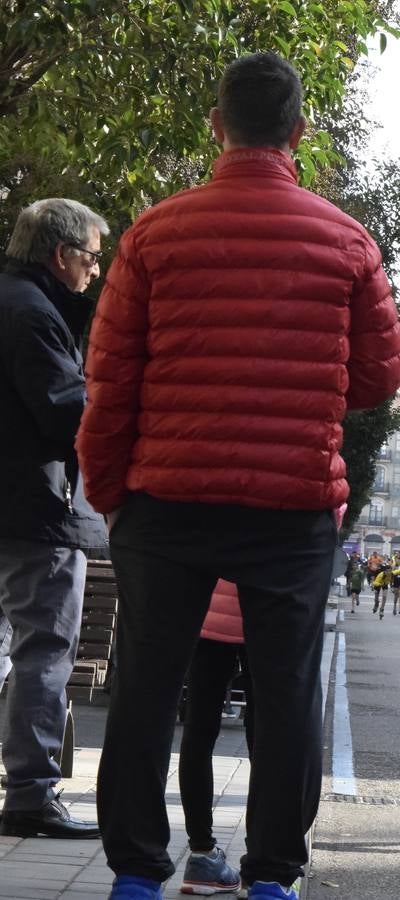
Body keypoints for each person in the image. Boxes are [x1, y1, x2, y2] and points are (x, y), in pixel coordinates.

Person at [75, 53, 400, 900]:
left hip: (166, 495)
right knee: (286, 691)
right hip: (291, 505)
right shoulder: (347, 242)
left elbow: (111, 381)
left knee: (147, 687)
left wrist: (111, 491)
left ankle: (138, 874)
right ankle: (271, 876)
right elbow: (377, 379)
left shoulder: (153, 234)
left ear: (217, 126)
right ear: (299, 132)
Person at [0, 198, 109, 840]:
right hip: (33, 509)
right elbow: (67, 414)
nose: (94, 273)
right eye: (92, 259)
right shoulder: (34, 313)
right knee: (44, 649)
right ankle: (32, 797)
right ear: (61, 254)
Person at [178, 581, 251, 896]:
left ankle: (201, 855)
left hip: (207, 607)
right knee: (266, 737)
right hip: (264, 610)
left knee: (197, 732)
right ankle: (263, 865)